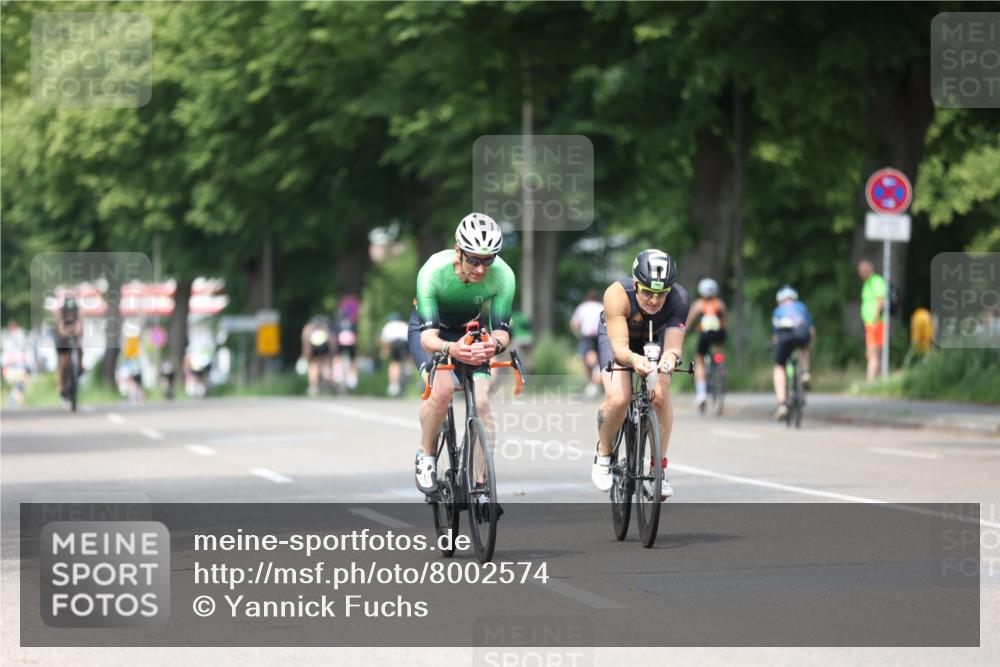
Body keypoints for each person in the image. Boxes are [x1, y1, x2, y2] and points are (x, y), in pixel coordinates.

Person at [408, 212, 514, 496]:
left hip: (471, 330)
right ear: (458, 252)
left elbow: (502, 331)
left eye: (488, 260)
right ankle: (425, 452)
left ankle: (480, 483)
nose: (481, 269)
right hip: (433, 331)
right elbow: (428, 338)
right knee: (442, 391)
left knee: (482, 404)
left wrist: (495, 345)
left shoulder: (504, 276)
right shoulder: (432, 272)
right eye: (474, 260)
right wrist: (452, 349)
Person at [591, 249, 690, 501]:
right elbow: (621, 350)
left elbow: (674, 348)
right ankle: (603, 452)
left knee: (660, 396)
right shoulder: (616, 294)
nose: (655, 300)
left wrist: (669, 360)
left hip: (653, 337)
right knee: (619, 398)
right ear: (635, 284)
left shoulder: (679, 298)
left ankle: (659, 470)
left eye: (661, 294)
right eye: (647, 292)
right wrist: (635, 360)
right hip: (619, 339)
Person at [771, 285, 815, 420]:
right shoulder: (801, 307)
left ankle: (782, 404)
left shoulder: (778, 310)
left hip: (784, 335)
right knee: (805, 346)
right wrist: (810, 344)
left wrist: (774, 345)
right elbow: (811, 329)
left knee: (779, 367)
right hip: (801, 331)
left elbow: (775, 336)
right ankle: (806, 372)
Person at [685, 277, 728, 411]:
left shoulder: (698, 304)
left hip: (704, 335)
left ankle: (702, 393)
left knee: (699, 359)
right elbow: (725, 321)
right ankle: (721, 367)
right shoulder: (720, 303)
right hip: (719, 334)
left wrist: (683, 332)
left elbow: (688, 323)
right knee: (719, 350)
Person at [570, 290, 604, 398]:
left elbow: (574, 324)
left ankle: (593, 381)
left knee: (589, 359)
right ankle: (596, 383)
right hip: (601, 335)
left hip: (588, 336)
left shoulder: (582, 307)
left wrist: (577, 333)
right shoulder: (601, 306)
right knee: (599, 359)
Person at [858, 259, 886, 382]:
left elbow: (880, 300)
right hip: (870, 323)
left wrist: (875, 320)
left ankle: (870, 381)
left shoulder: (875, 281)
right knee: (874, 353)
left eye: (862, 271)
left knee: (872, 353)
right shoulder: (868, 283)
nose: (860, 274)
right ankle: (878, 381)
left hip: (876, 323)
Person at [54, 295, 83, 400]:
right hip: (63, 338)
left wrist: (77, 333)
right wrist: (65, 333)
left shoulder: (77, 311)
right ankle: (62, 387)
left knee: (80, 347)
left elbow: (79, 323)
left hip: (74, 336)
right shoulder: (61, 312)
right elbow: (60, 325)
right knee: (64, 362)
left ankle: (80, 366)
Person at [300, 315, 333, 396]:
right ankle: (330, 382)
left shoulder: (309, 327)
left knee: (313, 366)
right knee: (325, 365)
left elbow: (305, 340)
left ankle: (313, 386)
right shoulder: (325, 327)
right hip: (325, 347)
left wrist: (305, 353)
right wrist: (332, 352)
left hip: (314, 347)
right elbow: (331, 340)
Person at [333, 296, 360, 392]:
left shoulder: (337, 324)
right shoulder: (352, 323)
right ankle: (352, 379)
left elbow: (334, 336)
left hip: (340, 343)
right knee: (353, 360)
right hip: (351, 344)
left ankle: (337, 375)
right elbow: (356, 335)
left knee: (337, 357)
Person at [380, 312, 410, 397]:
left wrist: (385, 351)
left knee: (395, 363)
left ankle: (393, 385)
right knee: (407, 358)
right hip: (406, 343)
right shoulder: (404, 324)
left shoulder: (388, 325)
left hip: (395, 344)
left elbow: (386, 341)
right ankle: (408, 368)